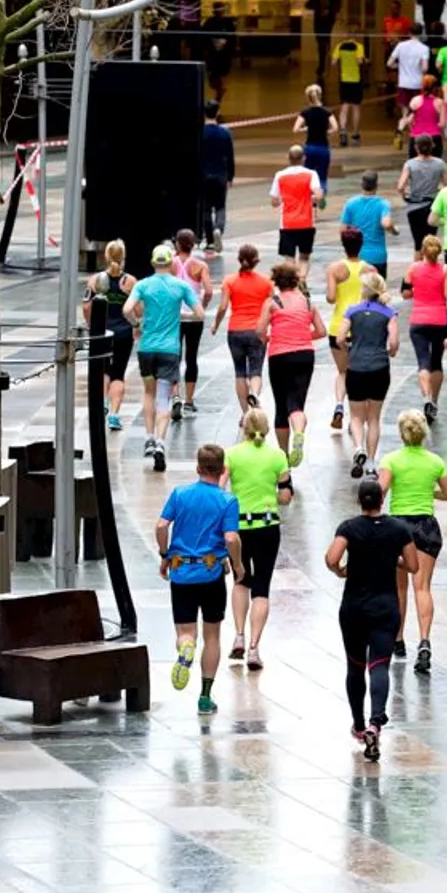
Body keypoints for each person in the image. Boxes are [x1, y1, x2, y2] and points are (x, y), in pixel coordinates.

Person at [325, 478, 418, 762]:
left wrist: (340, 570)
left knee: (355, 667)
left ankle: (358, 724)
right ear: (381, 500)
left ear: (360, 502)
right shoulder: (399, 529)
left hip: (353, 607)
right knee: (379, 665)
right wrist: (394, 561)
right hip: (385, 606)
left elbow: (331, 557)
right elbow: (413, 565)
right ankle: (376, 723)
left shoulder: (349, 528)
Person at [157, 444, 243, 714]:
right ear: (221, 470)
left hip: (181, 572)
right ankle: (205, 697)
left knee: (185, 632)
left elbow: (161, 526)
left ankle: (186, 649)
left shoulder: (180, 494)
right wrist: (237, 565)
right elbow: (230, 537)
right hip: (211, 573)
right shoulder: (227, 501)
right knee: (213, 635)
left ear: (198, 467)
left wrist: (165, 554)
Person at [380, 409, 447, 674]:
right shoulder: (435, 461)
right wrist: (428, 492)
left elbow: (380, 492)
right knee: (422, 586)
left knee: (398, 587)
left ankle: (398, 640)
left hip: (399, 526)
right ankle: (424, 640)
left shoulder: (391, 460)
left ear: (402, 433)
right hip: (426, 526)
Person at [223, 409, 292, 673]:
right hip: (267, 525)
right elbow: (285, 496)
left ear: (243, 427)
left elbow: (220, 485)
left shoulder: (232, 454)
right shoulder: (277, 456)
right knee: (262, 586)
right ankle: (254, 647)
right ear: (267, 429)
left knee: (241, 580)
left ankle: (238, 634)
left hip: (238, 526)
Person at [129, 244, 203, 471]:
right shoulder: (180, 286)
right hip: (169, 350)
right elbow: (199, 314)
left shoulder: (143, 285)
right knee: (164, 397)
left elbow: (126, 309)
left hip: (147, 347)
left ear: (152, 263)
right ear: (171, 263)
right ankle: (161, 442)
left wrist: (136, 324)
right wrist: (182, 315)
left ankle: (149, 437)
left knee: (148, 392)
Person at [260, 261, 325, 466]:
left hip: (279, 355)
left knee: (281, 404)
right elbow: (322, 331)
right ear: (296, 281)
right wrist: (305, 336)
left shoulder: (272, 302)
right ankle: (299, 431)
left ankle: (283, 455)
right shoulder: (307, 302)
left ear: (277, 282)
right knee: (296, 403)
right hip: (304, 355)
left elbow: (259, 331)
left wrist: (269, 339)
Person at [341, 271, 400, 477]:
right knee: (374, 417)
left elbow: (340, 338)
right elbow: (393, 343)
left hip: (356, 367)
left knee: (356, 416)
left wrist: (350, 347)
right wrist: (389, 352)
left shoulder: (352, 311)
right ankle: (372, 463)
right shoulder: (389, 313)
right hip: (379, 367)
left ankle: (358, 448)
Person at [210, 243, 271, 415]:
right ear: (256, 261)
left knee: (239, 372)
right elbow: (271, 307)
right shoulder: (266, 283)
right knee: (256, 370)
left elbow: (222, 307)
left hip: (235, 330)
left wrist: (215, 324)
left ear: (239, 260)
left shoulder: (229, 281)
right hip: (257, 331)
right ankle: (254, 394)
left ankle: (245, 413)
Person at [83, 240, 136, 431]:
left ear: (105, 256)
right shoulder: (130, 282)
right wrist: (136, 326)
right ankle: (114, 414)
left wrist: (91, 325)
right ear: (123, 257)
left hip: (102, 332)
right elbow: (137, 309)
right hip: (123, 332)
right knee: (118, 374)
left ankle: (104, 402)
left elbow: (86, 306)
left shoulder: (94, 280)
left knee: (104, 370)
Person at [402, 235, 447, 421]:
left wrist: (419, 290)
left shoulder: (413, 268)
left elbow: (405, 293)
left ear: (423, 251)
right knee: (437, 362)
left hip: (419, 320)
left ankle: (426, 397)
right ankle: (435, 401)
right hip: (439, 320)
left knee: (423, 361)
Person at [324, 228, 369, 433]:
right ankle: (356, 418)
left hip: (338, 326)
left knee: (342, 372)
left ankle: (339, 404)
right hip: (361, 327)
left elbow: (331, 298)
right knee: (359, 373)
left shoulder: (334, 269)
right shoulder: (370, 270)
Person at [172, 229, 213, 420]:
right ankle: (189, 399)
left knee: (174, 356)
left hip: (175, 316)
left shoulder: (170, 263)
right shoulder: (200, 265)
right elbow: (209, 291)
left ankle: (175, 396)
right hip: (194, 318)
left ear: (178, 243)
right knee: (191, 357)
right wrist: (201, 308)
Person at [270, 145, 326, 279]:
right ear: (304, 158)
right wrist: (311, 197)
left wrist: (283, 199)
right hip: (306, 222)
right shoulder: (311, 174)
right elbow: (318, 196)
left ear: (288, 158)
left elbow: (274, 201)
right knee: (304, 257)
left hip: (287, 223)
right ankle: (302, 280)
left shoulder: (280, 175)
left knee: (289, 258)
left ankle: (292, 282)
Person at [339, 170, 397, 279]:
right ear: (376, 185)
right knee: (378, 291)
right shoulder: (383, 203)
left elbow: (342, 230)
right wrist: (394, 230)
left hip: (357, 257)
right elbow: (386, 223)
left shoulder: (351, 203)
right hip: (377, 256)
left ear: (362, 185)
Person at [398, 135, 447, 252]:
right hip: (433, 206)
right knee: (431, 244)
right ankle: (431, 266)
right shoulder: (440, 164)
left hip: (414, 207)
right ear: (432, 146)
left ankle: (418, 268)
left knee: (418, 244)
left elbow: (400, 187)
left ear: (416, 148)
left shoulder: (410, 164)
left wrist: (405, 196)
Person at [388, 23, 431, 146]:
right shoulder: (424, 48)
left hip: (403, 84)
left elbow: (389, 63)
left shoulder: (401, 46)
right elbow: (424, 68)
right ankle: (414, 138)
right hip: (417, 85)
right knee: (416, 113)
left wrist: (399, 66)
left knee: (405, 113)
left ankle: (400, 130)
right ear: (421, 33)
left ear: (409, 33)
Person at [200, 100, 236, 249]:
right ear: (218, 112)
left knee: (206, 208)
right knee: (220, 207)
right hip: (220, 174)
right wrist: (230, 176)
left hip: (203, 175)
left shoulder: (199, 132)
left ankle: (209, 240)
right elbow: (230, 156)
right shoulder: (225, 132)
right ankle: (218, 230)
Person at [292, 84, 340, 193]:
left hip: (310, 147)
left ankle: (308, 194)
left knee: (308, 173)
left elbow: (295, 129)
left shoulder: (305, 113)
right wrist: (327, 132)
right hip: (323, 148)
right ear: (320, 96)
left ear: (308, 98)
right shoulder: (327, 112)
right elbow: (335, 128)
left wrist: (305, 129)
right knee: (322, 174)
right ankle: (321, 194)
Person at [332, 31, 366, 144]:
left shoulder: (339, 46)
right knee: (356, 107)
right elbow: (359, 61)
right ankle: (355, 134)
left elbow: (333, 62)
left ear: (345, 36)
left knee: (344, 107)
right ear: (356, 37)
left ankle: (343, 132)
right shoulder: (359, 47)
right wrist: (364, 60)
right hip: (356, 80)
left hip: (344, 80)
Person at [305, 0, 342, 80]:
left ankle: (322, 64)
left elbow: (308, 5)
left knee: (321, 43)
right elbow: (338, 7)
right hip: (327, 23)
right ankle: (324, 62)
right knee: (324, 42)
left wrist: (318, 8)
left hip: (320, 22)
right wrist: (330, 11)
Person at [204, 3, 238, 104]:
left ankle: (219, 93)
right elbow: (205, 37)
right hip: (213, 53)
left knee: (222, 74)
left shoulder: (228, 22)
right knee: (213, 77)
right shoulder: (209, 22)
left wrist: (231, 47)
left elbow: (232, 36)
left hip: (224, 53)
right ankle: (219, 89)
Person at [405, 73, 444, 146]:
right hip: (434, 136)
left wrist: (413, 130)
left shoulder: (415, 100)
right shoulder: (439, 102)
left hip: (416, 135)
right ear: (435, 87)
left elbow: (408, 120)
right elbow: (442, 124)